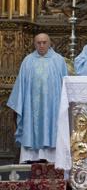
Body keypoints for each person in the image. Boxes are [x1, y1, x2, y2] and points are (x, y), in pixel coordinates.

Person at [7, 33, 68, 163]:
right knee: (31, 125)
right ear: (34, 44)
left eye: (44, 42)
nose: (41, 45)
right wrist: (19, 102)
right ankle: (31, 157)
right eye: (38, 43)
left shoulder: (58, 60)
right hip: (31, 105)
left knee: (53, 125)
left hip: (53, 105)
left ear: (50, 43)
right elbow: (20, 86)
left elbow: (65, 85)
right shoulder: (27, 61)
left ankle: (51, 156)